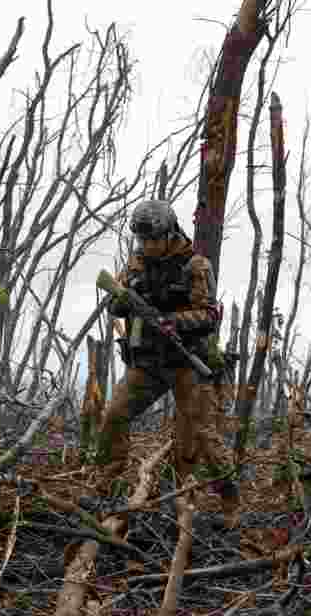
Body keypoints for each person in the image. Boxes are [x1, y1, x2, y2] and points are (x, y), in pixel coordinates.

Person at [97, 199, 239, 525]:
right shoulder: (136, 263)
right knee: (114, 415)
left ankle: (230, 503)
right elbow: (114, 306)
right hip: (148, 362)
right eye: (142, 240)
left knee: (204, 434)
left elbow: (208, 315)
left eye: (153, 240)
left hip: (187, 362)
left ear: (170, 232)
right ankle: (107, 486)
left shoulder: (195, 266)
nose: (148, 246)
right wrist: (124, 298)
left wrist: (173, 321)